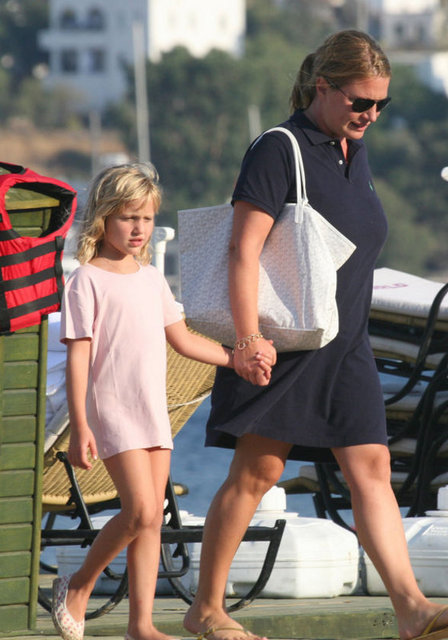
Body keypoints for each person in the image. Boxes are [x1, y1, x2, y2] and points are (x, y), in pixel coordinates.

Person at [183, 30, 448, 640]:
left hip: (346, 344)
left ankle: (412, 608)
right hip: (285, 343)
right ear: (322, 87)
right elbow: (243, 251)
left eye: (381, 104)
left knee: (372, 465)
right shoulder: (279, 149)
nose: (370, 114)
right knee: (258, 472)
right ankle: (206, 609)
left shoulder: (354, 150)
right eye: (360, 101)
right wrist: (246, 340)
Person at [52, 163, 271, 640]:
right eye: (128, 217)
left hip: (152, 410)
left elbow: (183, 340)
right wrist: (81, 425)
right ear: (104, 218)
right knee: (139, 511)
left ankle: (141, 626)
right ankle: (79, 586)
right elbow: (78, 359)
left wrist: (236, 360)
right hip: (112, 410)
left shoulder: (152, 278)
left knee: (152, 520)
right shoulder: (86, 280)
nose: (138, 228)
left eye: (146, 218)